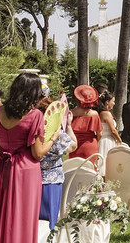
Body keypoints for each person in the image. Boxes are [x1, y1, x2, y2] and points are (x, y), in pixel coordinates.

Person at [0, 73, 59, 243]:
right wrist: (54, 136)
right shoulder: (35, 115)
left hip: (0, 167)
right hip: (25, 171)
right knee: (22, 215)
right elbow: (37, 153)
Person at [37, 96, 77, 229]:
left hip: (34, 178)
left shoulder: (35, 132)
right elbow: (73, 146)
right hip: (52, 180)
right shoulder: (56, 134)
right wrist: (69, 126)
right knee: (50, 219)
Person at [69, 85, 101, 159]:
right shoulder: (94, 114)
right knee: (90, 169)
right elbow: (100, 134)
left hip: (74, 146)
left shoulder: (70, 113)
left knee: (74, 169)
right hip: (90, 146)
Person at [96, 90, 123, 159]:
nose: (114, 103)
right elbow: (113, 130)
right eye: (113, 101)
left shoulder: (100, 112)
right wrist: (120, 141)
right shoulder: (106, 113)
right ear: (107, 102)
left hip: (102, 141)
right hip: (107, 141)